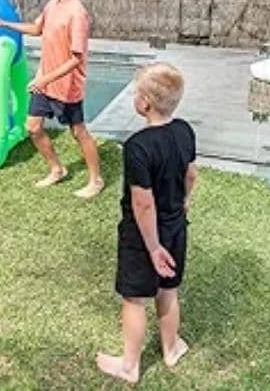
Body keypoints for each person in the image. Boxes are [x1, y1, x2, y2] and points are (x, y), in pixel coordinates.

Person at [96, 62, 197, 384]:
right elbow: (190, 174)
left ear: (145, 103)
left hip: (143, 237)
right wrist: (183, 203)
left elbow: (142, 202)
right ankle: (171, 349)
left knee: (135, 298)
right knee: (169, 290)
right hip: (176, 225)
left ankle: (129, 366)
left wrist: (153, 247)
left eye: (136, 93)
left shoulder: (138, 146)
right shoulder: (185, 130)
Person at [0, 0, 104, 198]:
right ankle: (57, 169)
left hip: (67, 86)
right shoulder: (52, 6)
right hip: (45, 81)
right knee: (32, 127)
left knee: (78, 132)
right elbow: (37, 29)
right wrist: (4, 24)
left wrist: (44, 79)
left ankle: (96, 180)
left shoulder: (77, 13)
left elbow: (76, 59)